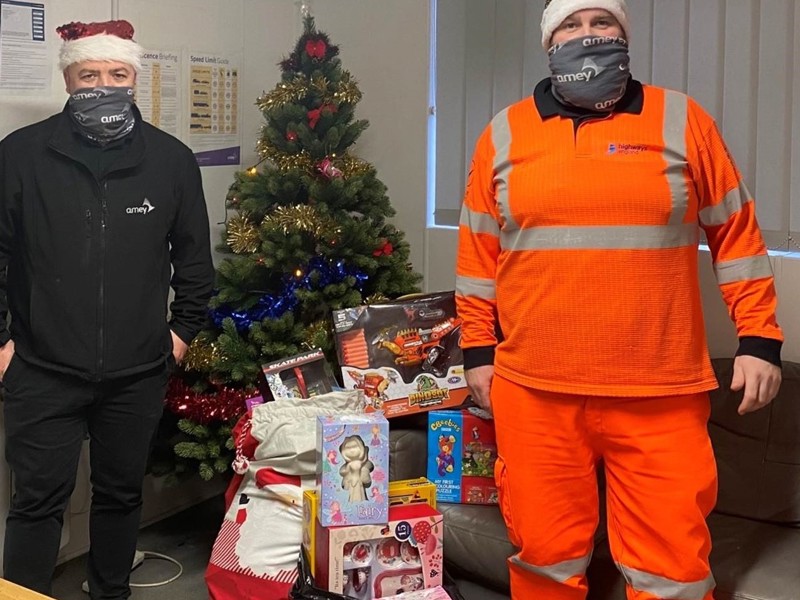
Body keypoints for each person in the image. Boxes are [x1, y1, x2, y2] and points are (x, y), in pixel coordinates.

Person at [455, 1, 783, 598]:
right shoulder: (503, 133)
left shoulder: (683, 121)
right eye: (570, 25)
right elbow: (478, 257)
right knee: (544, 562)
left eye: (602, 22)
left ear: (623, 34)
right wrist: (478, 350)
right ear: (549, 42)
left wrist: (759, 339)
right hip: (535, 391)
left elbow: (736, 233)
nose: (588, 34)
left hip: (659, 390)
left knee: (672, 573)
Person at [0, 19, 215, 599]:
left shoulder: (171, 161)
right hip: (42, 372)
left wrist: (180, 334)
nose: (102, 84)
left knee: (121, 496)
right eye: (88, 74)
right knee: (36, 503)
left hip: (137, 373)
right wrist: (2, 345)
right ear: (68, 78)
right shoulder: (20, 155)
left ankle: (110, 593)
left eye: (116, 74)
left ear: (134, 79)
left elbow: (195, 262)